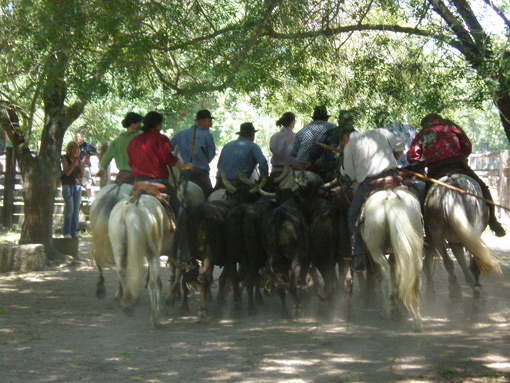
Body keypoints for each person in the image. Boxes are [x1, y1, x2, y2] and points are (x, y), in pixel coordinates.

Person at [407, 113, 505, 237]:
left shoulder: (423, 133)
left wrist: (420, 164)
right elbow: (467, 146)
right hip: (458, 165)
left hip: (435, 170)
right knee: (483, 188)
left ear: (425, 123)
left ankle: (430, 234)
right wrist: (461, 155)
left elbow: (412, 156)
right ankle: (493, 222)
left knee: (426, 201)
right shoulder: (452, 127)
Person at [343, 128, 406, 271]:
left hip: (370, 183)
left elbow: (351, 174)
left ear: (347, 137)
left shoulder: (350, 146)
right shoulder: (381, 132)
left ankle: (358, 255)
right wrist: (394, 159)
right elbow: (401, 143)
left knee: (352, 215)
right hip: (393, 177)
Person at [127, 111, 193, 215]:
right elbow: (169, 159)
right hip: (159, 183)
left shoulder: (134, 141)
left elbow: (130, 163)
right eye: (161, 123)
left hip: (138, 183)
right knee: (181, 214)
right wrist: (184, 166)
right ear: (158, 125)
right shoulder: (161, 139)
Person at [171, 109, 216, 198]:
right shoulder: (207, 135)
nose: (211, 124)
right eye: (209, 121)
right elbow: (211, 155)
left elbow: (171, 150)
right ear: (200, 122)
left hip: (182, 172)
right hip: (200, 173)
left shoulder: (180, 134)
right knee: (209, 197)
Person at [215, 122, 268, 188]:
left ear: (240, 135)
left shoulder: (227, 145)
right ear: (252, 135)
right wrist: (264, 179)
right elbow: (263, 162)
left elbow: (219, 165)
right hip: (239, 183)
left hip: (221, 181)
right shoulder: (253, 147)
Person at [308, 109, 356, 181]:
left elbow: (316, 150)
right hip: (353, 172)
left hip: (330, 170)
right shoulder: (357, 135)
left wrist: (310, 161)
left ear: (339, 121)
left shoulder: (331, 133)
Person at [97, 112, 143, 184]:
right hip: (138, 176)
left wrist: (101, 169)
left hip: (122, 176)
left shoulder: (117, 141)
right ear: (133, 124)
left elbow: (107, 156)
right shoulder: (142, 137)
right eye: (139, 123)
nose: (140, 125)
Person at [289, 106, 337, 172]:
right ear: (326, 119)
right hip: (325, 170)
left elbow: (293, 152)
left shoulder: (301, 132)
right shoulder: (334, 129)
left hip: (302, 169)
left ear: (313, 119)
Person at [61, 141, 87, 238]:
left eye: (77, 149)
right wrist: (74, 164)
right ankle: (66, 232)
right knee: (70, 208)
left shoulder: (79, 160)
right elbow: (67, 173)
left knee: (76, 209)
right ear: (69, 149)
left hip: (77, 186)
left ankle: (74, 231)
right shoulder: (65, 159)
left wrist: (83, 164)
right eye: (73, 148)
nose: (76, 151)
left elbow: (81, 175)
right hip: (67, 185)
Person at [269, 111, 297, 178]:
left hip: (275, 171)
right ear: (292, 122)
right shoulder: (296, 137)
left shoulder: (274, 137)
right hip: (290, 172)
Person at [76, 131, 98, 205]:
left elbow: (96, 151)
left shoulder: (87, 145)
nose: (77, 139)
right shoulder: (75, 146)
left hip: (86, 167)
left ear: (82, 137)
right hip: (77, 167)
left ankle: (90, 199)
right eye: (76, 137)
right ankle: (78, 200)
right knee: (77, 183)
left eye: (78, 137)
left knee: (87, 183)